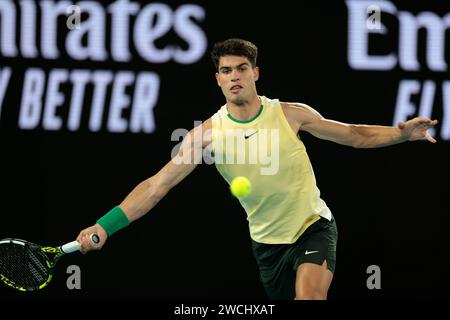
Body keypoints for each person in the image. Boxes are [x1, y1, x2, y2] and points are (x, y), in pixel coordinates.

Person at [76, 38, 437, 300]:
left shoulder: (291, 114)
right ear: (217, 79)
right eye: (226, 70)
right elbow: (156, 187)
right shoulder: (205, 137)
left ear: (255, 73)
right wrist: (104, 225)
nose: (234, 76)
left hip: (313, 228)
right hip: (267, 246)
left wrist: (401, 134)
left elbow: (354, 136)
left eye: (241, 68)